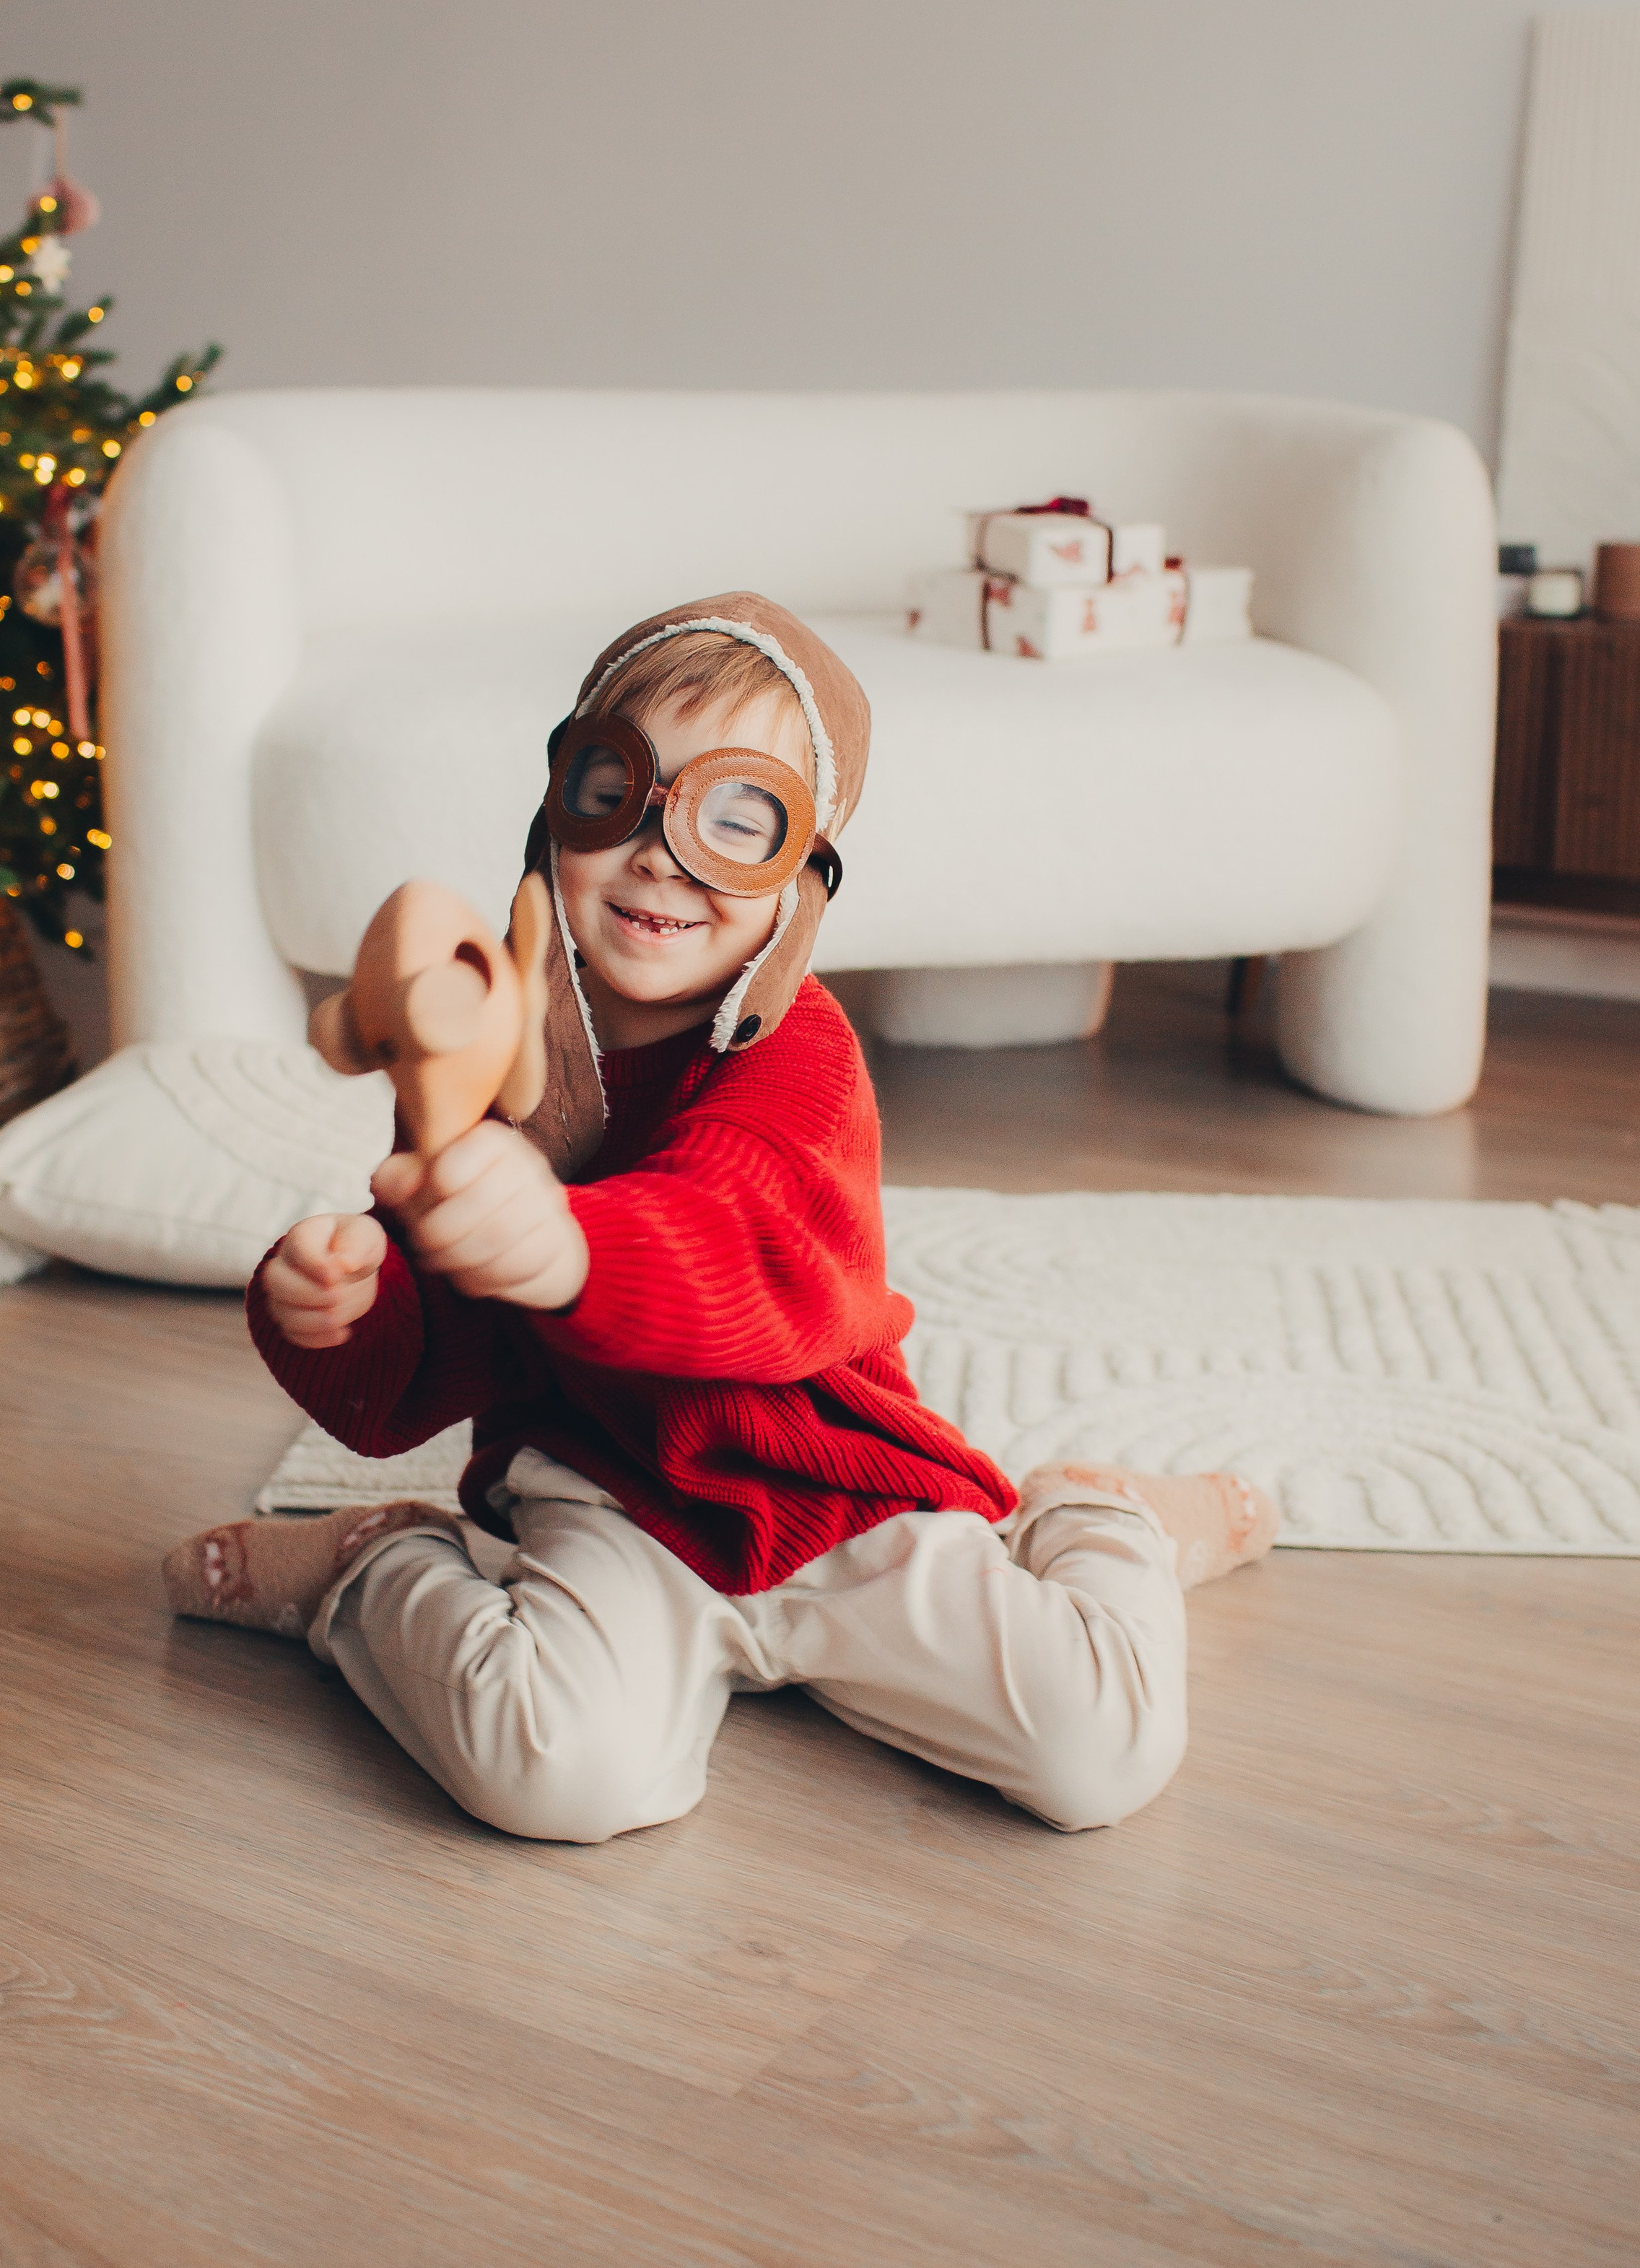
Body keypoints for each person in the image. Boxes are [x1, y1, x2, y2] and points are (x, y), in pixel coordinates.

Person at [165, 593, 1277, 1843]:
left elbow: (743, 1245)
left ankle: (1104, 1515)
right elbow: (425, 1375)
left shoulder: (803, 1054)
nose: (660, 855)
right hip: (607, 1499)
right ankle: (368, 1573)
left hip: (834, 1497)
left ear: (801, 879)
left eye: (732, 818)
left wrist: (570, 1248)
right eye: (617, 796)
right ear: (554, 815)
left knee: (1104, 1754)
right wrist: (338, 1304)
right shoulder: (495, 1054)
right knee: (557, 1779)